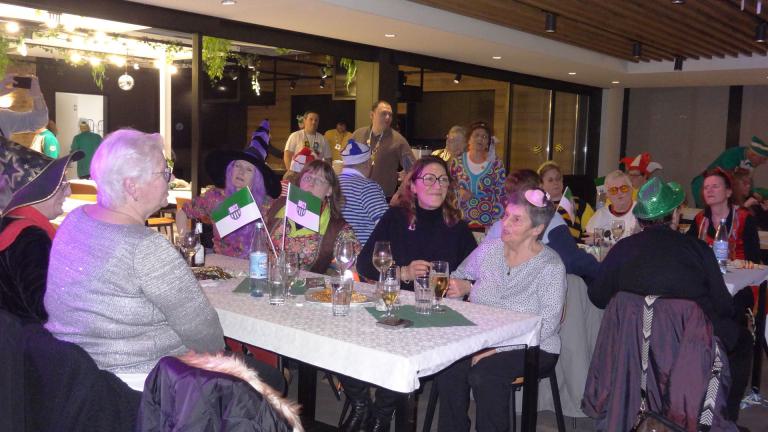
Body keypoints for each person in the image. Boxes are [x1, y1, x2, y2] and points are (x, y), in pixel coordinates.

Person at [43, 129, 226, 391]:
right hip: (142, 387)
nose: (171, 177)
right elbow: (205, 334)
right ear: (132, 186)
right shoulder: (146, 247)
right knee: (266, 379)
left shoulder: (75, 221)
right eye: (164, 172)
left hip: (72, 378)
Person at [589, 177, 752, 422]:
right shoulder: (698, 249)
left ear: (640, 219)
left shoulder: (622, 249)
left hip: (635, 346)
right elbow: (723, 305)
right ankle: (717, 419)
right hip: (690, 346)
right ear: (675, 215)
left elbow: (597, 297)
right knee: (742, 340)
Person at [341, 156, 476, 432]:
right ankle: (362, 405)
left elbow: (480, 272)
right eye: (429, 178)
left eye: (442, 179)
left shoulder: (457, 227)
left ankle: (381, 415)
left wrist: (465, 285)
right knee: (342, 330)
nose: (437, 185)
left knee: (402, 343)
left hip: (436, 314)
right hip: (394, 303)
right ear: (413, 185)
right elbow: (365, 263)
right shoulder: (395, 218)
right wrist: (402, 272)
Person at [437, 188, 566, 432]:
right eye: (506, 215)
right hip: (482, 336)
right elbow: (458, 276)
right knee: (449, 365)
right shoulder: (489, 249)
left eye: (516, 219)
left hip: (534, 346)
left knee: (485, 374)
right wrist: (462, 286)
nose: (505, 223)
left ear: (536, 229)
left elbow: (548, 325)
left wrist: (498, 348)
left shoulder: (550, 266)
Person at [0, 137, 82, 323]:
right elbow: (46, 307)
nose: (69, 192)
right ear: (39, 191)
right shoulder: (31, 238)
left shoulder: (11, 224)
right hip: (28, 336)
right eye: (61, 184)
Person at [180, 120, 281, 258]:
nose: (241, 172)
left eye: (249, 169)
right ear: (230, 170)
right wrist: (185, 241)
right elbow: (182, 212)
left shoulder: (267, 204)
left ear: (256, 178)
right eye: (237, 166)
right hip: (221, 265)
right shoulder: (214, 196)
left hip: (255, 265)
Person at [485, 169, 599, 285]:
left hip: (498, 289)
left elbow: (483, 262)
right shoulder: (550, 219)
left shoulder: (498, 227)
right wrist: (601, 269)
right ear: (539, 190)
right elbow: (571, 261)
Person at [264, 160, 359, 272]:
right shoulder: (279, 205)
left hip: (306, 283)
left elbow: (354, 267)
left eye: (319, 180)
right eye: (308, 178)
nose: (311, 184)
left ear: (329, 190)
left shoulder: (338, 228)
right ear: (300, 182)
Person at [686, 168, 761, 263]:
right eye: (706, 187)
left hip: (739, 271)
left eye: (715, 186)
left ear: (728, 192)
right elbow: (688, 251)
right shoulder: (700, 219)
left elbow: (753, 259)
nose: (709, 190)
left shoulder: (744, 218)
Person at [350, 100, 416, 198]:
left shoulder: (398, 141)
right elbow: (348, 164)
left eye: (390, 115)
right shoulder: (358, 135)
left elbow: (413, 170)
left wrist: (399, 193)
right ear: (372, 115)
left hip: (382, 198)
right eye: (384, 113)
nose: (388, 117)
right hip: (355, 195)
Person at [450, 121, 506, 229]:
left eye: (484, 137)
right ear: (468, 139)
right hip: (460, 221)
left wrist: (498, 225)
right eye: (476, 135)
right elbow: (449, 187)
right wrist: (459, 191)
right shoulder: (457, 162)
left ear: (488, 143)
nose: (480, 139)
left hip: (488, 223)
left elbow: (501, 195)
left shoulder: (496, 164)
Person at [691, 136, 768, 208]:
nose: (764, 162)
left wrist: (753, 192)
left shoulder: (751, 163)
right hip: (703, 184)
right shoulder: (732, 155)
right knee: (709, 213)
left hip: (720, 187)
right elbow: (732, 180)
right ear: (753, 155)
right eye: (762, 159)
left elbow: (747, 181)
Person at [338, 139, 388, 246]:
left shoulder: (331, 184)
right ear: (368, 163)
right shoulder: (368, 187)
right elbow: (385, 224)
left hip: (335, 251)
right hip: (362, 251)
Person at [585, 170, 638, 244]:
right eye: (613, 190)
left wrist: (604, 243)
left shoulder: (641, 212)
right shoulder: (600, 215)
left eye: (624, 188)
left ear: (631, 190)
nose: (619, 193)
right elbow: (589, 241)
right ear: (607, 195)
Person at [538, 161, 585, 239]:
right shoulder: (537, 208)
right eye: (550, 180)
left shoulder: (579, 204)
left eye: (558, 179)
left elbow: (592, 231)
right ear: (541, 185)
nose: (555, 182)